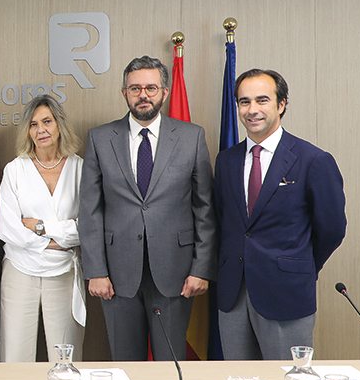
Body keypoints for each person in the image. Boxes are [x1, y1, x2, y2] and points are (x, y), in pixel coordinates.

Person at [79, 55, 216, 361]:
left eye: (151, 88)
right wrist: (96, 271)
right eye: (135, 88)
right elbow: (90, 210)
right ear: (124, 93)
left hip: (176, 273)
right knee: (127, 366)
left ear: (164, 92)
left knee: (171, 364)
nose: (143, 95)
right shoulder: (100, 138)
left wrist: (201, 269)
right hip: (116, 275)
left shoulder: (191, 137)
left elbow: (205, 209)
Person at [214, 69, 345, 359]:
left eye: (262, 100)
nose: (252, 110)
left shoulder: (313, 160)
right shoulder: (226, 161)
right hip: (233, 295)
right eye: (244, 101)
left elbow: (332, 229)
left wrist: (298, 265)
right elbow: (224, 221)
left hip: (286, 292)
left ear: (281, 104)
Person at [0, 94, 86, 362]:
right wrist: (55, 241)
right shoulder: (15, 170)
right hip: (19, 271)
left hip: (64, 272)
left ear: (59, 124)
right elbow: (8, 229)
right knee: (15, 355)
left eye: (47, 121)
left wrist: (39, 226)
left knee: (65, 358)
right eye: (33, 124)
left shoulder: (80, 169)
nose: (41, 130)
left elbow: (86, 228)